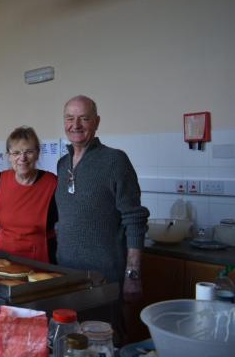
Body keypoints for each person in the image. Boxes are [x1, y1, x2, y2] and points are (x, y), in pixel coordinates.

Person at [55, 95, 149, 343]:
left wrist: (133, 274)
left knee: (106, 342)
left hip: (104, 278)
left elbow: (134, 219)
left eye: (84, 118)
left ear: (96, 122)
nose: (76, 125)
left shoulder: (114, 160)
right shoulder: (62, 163)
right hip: (67, 275)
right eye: (70, 118)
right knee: (71, 341)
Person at [0, 126, 58, 262]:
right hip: (5, 259)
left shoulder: (52, 183)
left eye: (28, 152)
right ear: (9, 156)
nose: (22, 158)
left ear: (37, 153)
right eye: (16, 152)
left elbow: (62, 223)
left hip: (40, 260)